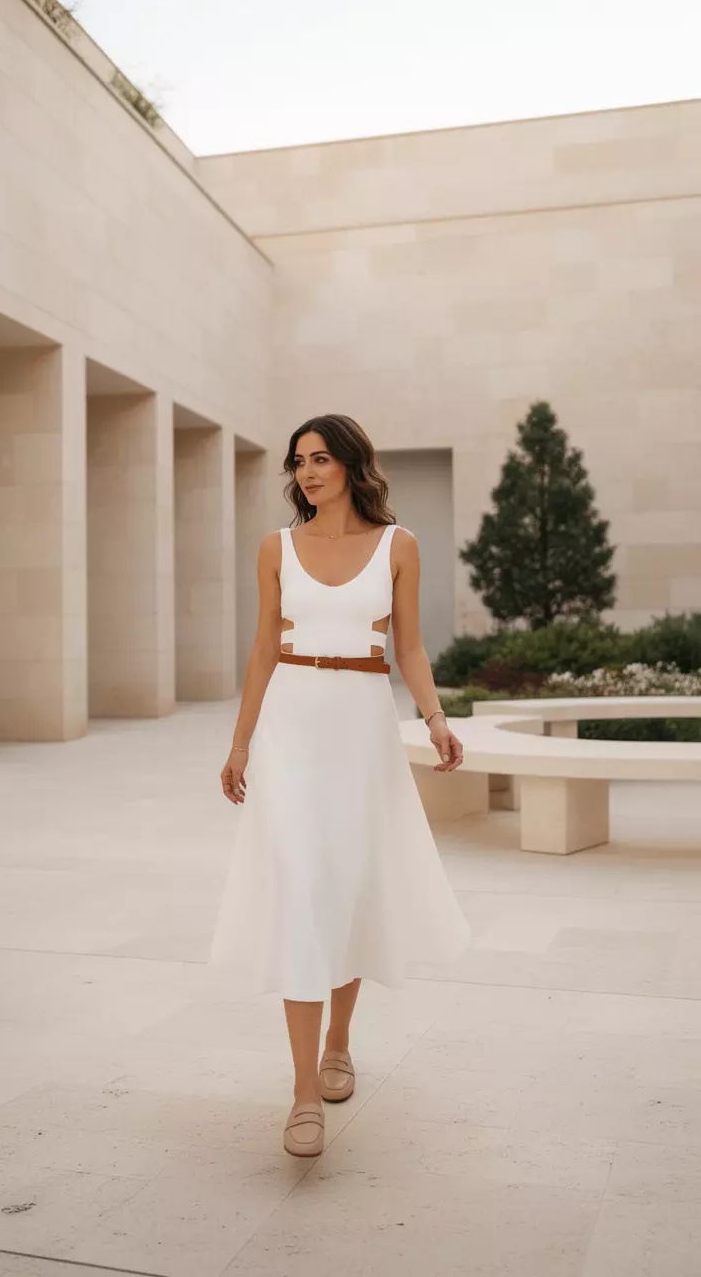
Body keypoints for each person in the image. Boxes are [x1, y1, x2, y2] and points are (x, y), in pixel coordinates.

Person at [209, 413, 470, 1157]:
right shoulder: (276, 548)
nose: (308, 472)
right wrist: (240, 744)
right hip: (291, 724)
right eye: (299, 462)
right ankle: (300, 1096)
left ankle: (339, 1043)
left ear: (354, 464)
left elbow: (410, 645)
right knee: (301, 889)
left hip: (361, 727)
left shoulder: (398, 545)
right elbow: (263, 648)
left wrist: (435, 718)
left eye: (321, 458)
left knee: (347, 886)